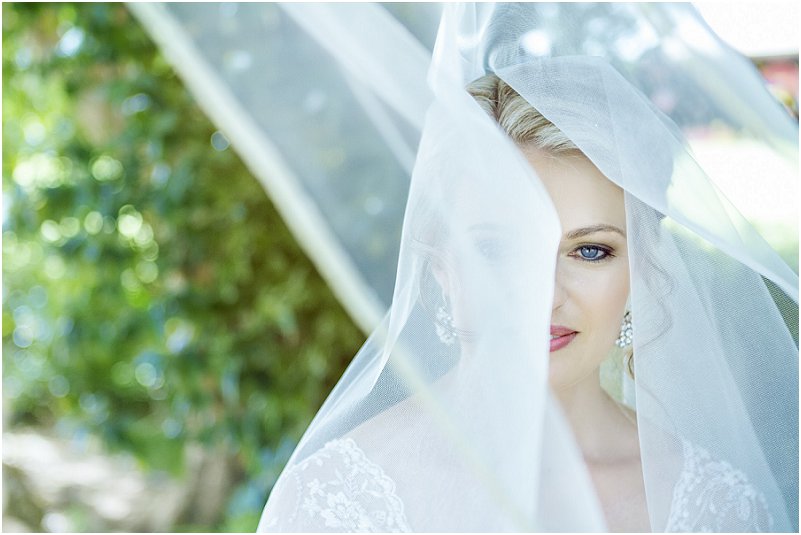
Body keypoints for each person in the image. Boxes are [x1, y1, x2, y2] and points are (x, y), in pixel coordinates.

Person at [128, 2, 799, 532]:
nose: (543, 294)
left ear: (643, 267)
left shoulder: (713, 505)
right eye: (500, 248)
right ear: (440, 268)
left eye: (589, 250)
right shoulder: (339, 502)